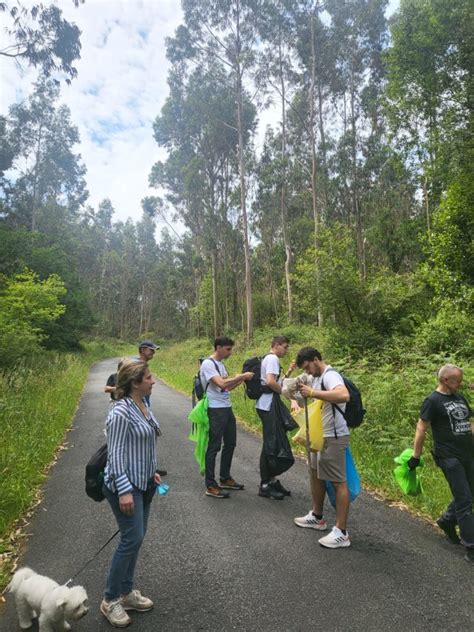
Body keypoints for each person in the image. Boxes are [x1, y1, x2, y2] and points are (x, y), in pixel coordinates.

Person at [100, 359, 162, 628]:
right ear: (135, 383)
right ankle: (110, 598)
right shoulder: (119, 413)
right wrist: (125, 490)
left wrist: (152, 472)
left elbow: (144, 443)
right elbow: (114, 456)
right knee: (131, 538)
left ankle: (126, 593)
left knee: (136, 539)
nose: (153, 381)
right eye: (148, 377)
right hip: (125, 486)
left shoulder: (143, 405)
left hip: (144, 482)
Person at [408, 364, 473, 564]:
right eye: (457, 381)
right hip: (448, 456)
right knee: (464, 500)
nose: (460, 384)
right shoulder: (433, 401)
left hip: (467, 453)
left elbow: (470, 423)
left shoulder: (460, 397)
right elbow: (421, 428)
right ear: (445, 380)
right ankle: (471, 546)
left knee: (471, 494)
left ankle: (446, 521)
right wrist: (415, 456)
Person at [293, 347, 351, 548]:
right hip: (319, 435)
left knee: (338, 482)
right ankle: (317, 516)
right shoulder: (315, 377)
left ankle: (341, 532)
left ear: (316, 359)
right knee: (315, 474)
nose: (307, 371)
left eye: (308, 367)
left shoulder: (330, 375)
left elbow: (344, 395)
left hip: (334, 437)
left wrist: (313, 392)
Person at [199, 336, 254, 498]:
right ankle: (210, 485)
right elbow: (221, 384)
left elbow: (227, 388)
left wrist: (241, 379)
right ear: (218, 348)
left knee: (230, 443)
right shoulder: (208, 364)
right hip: (215, 409)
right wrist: (241, 376)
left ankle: (225, 477)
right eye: (228, 349)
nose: (230, 352)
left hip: (226, 408)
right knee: (214, 446)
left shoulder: (221, 365)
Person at [256, 335, 296, 500]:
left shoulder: (269, 358)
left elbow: (276, 380)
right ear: (277, 345)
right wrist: (289, 396)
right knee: (270, 444)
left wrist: (289, 372)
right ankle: (265, 484)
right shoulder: (272, 358)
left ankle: (270, 480)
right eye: (285, 347)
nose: (286, 350)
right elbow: (272, 382)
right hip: (268, 405)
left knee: (270, 443)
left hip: (267, 404)